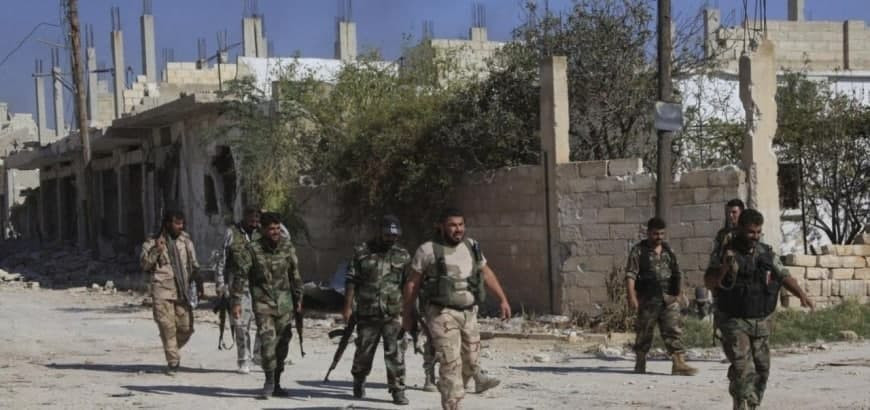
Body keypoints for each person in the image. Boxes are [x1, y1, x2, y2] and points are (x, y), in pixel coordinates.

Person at [402, 207, 511, 410]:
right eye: (452, 225)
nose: (458, 229)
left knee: (471, 362)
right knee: (450, 363)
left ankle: (451, 387)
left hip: (469, 313)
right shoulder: (427, 250)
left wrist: (503, 300)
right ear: (441, 226)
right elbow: (412, 284)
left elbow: (486, 273)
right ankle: (453, 403)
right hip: (441, 313)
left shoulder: (472, 246)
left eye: (461, 224)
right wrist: (407, 314)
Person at [705, 209, 814, 410]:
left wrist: (801, 294)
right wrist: (724, 269)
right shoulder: (725, 253)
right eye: (750, 232)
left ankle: (751, 404)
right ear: (740, 229)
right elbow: (710, 282)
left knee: (762, 369)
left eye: (758, 232)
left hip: (761, 319)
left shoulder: (766, 253)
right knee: (743, 368)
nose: (754, 236)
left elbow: (783, 275)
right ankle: (742, 403)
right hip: (734, 319)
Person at [231, 212, 304, 399]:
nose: (275, 232)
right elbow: (240, 275)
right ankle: (269, 382)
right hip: (263, 303)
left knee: (282, 344)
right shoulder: (252, 249)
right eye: (271, 229)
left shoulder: (287, 247)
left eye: (278, 228)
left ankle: (277, 382)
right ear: (262, 230)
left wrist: (299, 299)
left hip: (285, 303)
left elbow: (295, 274)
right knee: (268, 343)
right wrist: (236, 301)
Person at [342, 215, 410, 405]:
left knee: (395, 352)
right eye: (388, 234)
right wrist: (347, 308)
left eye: (394, 235)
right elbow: (351, 280)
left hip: (392, 312)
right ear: (379, 231)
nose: (391, 238)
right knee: (364, 352)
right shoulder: (362, 252)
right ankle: (359, 379)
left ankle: (398, 390)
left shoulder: (403, 255)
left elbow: (407, 284)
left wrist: (409, 310)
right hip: (367, 311)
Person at [625, 217, 697, 376]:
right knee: (644, 331)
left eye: (662, 234)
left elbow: (677, 272)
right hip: (648, 298)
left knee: (673, 329)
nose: (659, 237)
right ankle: (640, 362)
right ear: (648, 233)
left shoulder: (668, 250)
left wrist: (679, 294)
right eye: (655, 234)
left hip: (669, 298)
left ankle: (678, 363)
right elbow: (630, 275)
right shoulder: (639, 250)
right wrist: (632, 297)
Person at [140, 209, 202, 375]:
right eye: (177, 223)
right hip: (162, 291)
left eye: (182, 223)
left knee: (186, 328)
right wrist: (156, 251)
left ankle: (171, 348)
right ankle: (173, 362)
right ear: (168, 224)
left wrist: (198, 283)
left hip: (182, 291)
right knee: (167, 327)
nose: (180, 226)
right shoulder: (152, 242)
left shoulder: (186, 241)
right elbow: (144, 265)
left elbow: (194, 265)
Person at [215, 207, 261, 374]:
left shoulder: (262, 232)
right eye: (252, 219)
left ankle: (258, 356)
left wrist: (269, 216)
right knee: (241, 324)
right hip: (238, 284)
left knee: (264, 322)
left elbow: (286, 237)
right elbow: (222, 259)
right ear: (245, 216)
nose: (254, 223)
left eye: (257, 219)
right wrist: (220, 284)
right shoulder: (232, 233)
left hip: (259, 285)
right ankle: (243, 359)